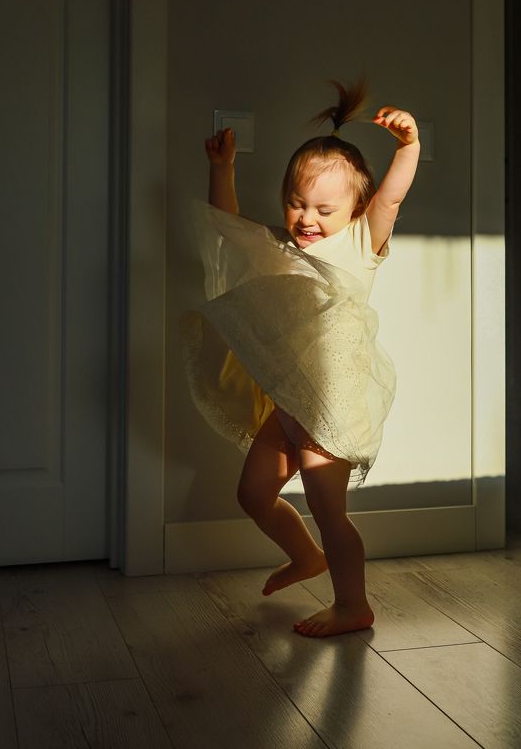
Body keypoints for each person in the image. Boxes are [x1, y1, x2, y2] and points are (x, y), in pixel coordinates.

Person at [182, 80, 420, 637]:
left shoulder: (360, 242)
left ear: (355, 209)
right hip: (290, 402)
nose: (307, 218)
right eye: (296, 202)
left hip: (331, 407)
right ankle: (305, 556)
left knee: (329, 509)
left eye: (324, 209)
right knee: (253, 494)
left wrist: (408, 147)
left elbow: (390, 199)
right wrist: (223, 170)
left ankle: (353, 604)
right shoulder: (280, 247)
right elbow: (229, 229)